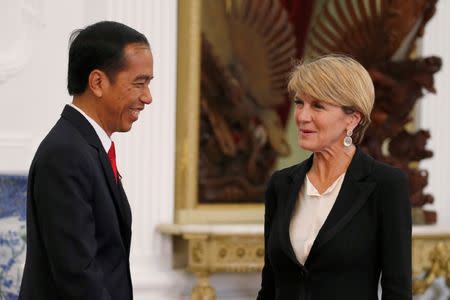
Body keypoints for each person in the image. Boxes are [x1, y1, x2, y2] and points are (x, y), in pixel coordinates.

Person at [257, 55, 411, 300]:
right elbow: (269, 286)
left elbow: (398, 292)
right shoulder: (280, 184)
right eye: (299, 103)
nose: (302, 116)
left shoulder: (386, 185)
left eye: (317, 105)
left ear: (352, 118)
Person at [19, 21, 153, 300]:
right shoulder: (66, 154)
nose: (147, 97)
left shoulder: (84, 147)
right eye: (139, 83)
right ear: (97, 82)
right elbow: (78, 276)